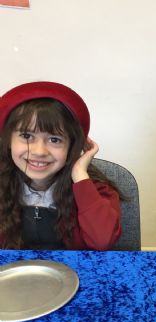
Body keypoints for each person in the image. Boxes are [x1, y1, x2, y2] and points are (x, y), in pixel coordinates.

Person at [0, 81, 122, 250]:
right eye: (27, 136)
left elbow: (102, 242)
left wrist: (79, 174)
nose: (39, 151)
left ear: (71, 146)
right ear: (8, 141)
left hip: (72, 267)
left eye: (54, 139)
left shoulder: (97, 190)